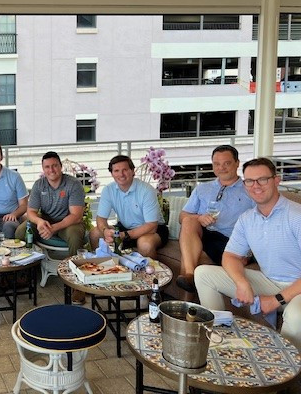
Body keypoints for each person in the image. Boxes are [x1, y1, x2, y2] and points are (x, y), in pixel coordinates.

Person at [195, 158, 301, 349]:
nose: (256, 186)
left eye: (262, 180)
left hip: (298, 288)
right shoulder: (247, 219)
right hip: (270, 282)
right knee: (203, 274)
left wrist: (277, 299)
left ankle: (287, 371)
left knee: (296, 315)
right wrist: (241, 282)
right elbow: (231, 256)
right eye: (250, 181)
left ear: (276, 180)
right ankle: (218, 342)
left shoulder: (296, 216)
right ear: (244, 185)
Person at [176, 145, 255, 292]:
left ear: (237, 163)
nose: (221, 168)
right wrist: (199, 218)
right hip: (203, 236)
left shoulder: (249, 190)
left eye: (227, 163)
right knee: (189, 221)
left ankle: (186, 289)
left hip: (230, 242)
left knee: (190, 255)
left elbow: (260, 221)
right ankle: (189, 275)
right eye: (217, 164)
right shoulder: (202, 188)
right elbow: (182, 216)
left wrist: (248, 251)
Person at [89, 155, 168, 259]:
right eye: (116, 171)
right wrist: (105, 231)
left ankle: (150, 274)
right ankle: (100, 267)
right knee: (95, 233)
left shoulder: (146, 190)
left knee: (145, 244)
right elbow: (101, 218)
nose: (121, 174)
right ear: (112, 174)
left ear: (132, 171)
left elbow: (152, 226)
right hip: (125, 228)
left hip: (153, 229)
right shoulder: (108, 190)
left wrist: (124, 235)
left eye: (125, 170)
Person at [15, 151, 84, 254]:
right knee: (21, 231)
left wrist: (54, 228)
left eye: (54, 166)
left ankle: (73, 267)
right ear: (43, 169)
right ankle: (29, 264)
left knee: (74, 235)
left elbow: (76, 216)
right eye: (47, 167)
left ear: (61, 166)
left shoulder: (73, 184)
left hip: (68, 224)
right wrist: (39, 221)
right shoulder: (39, 185)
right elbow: (31, 212)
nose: (51, 170)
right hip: (45, 221)